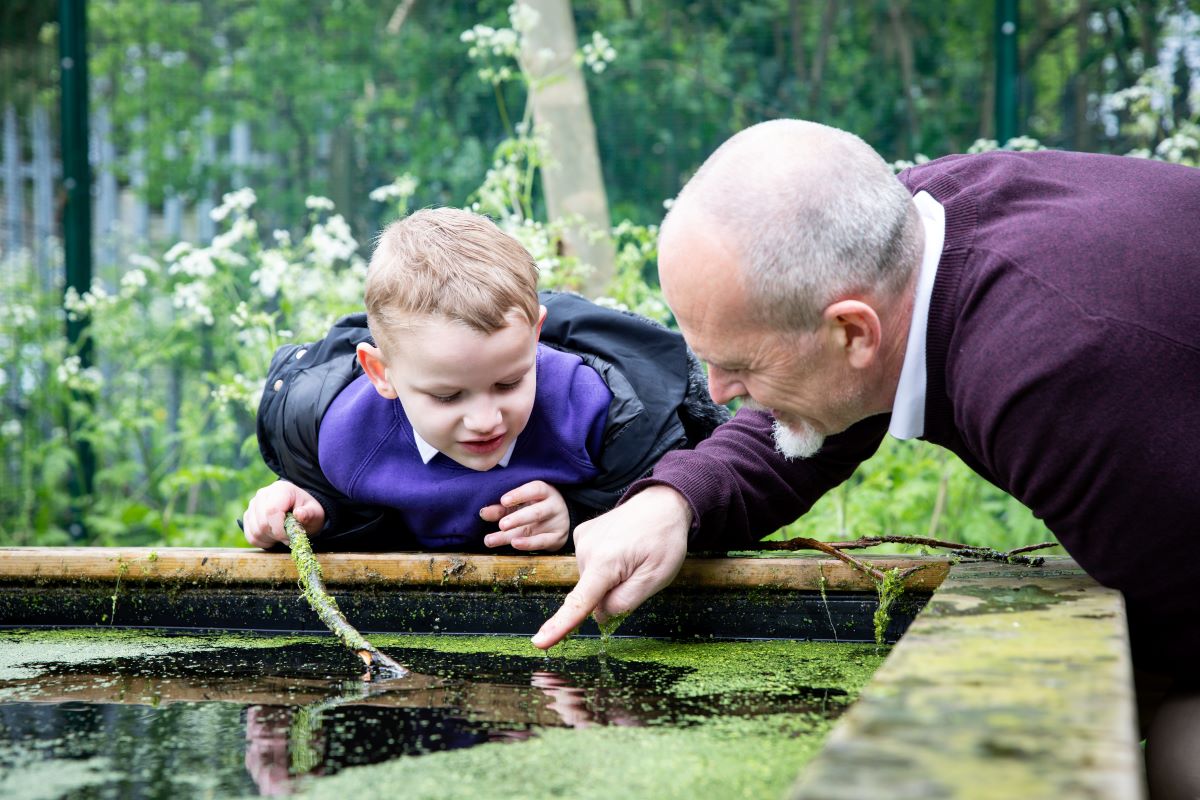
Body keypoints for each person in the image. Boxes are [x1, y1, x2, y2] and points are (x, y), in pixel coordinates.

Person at [530, 120, 1200, 796]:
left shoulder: (1049, 377)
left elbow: (1178, 627)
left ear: (852, 330)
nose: (718, 391)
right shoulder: (907, 236)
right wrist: (671, 503)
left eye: (737, 365)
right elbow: (809, 424)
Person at [241, 207, 726, 553]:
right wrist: (308, 513)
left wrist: (577, 516)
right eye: (448, 395)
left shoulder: (597, 413)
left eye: (509, 383)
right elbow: (355, 515)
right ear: (380, 374)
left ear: (535, 338)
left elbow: (683, 504)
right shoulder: (338, 438)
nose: (485, 419)